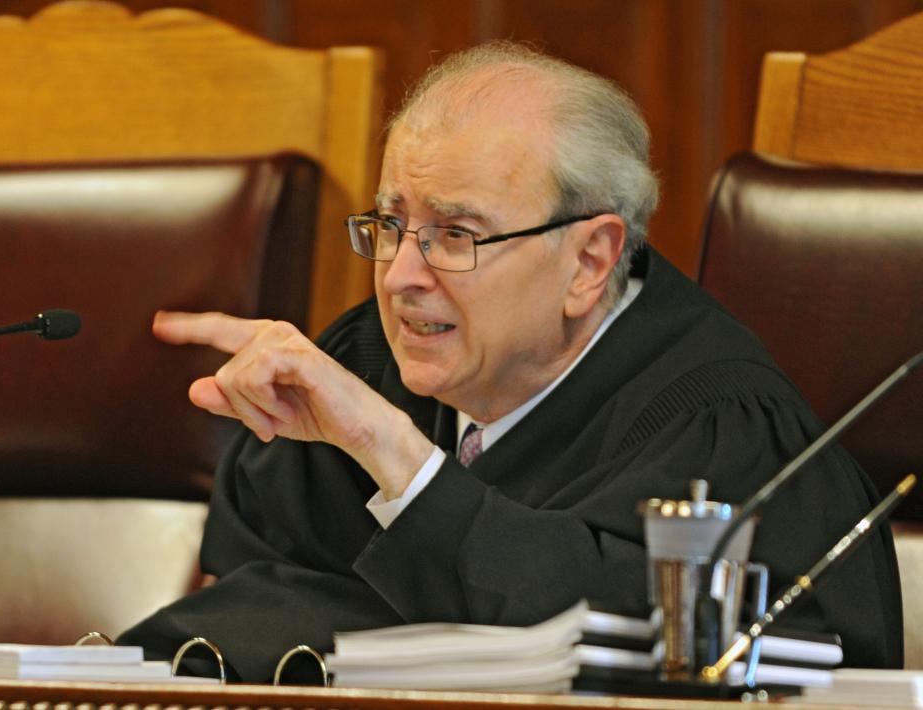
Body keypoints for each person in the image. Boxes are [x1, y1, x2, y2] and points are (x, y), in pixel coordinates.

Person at [119, 42, 902, 681]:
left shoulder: (719, 428)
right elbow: (239, 608)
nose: (401, 277)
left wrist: (397, 460)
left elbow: (631, 649)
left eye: (456, 235)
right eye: (392, 226)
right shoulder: (369, 357)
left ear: (590, 261)